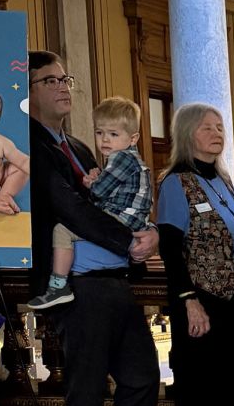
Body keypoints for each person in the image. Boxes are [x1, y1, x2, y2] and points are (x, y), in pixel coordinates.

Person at [26, 50, 188, 406]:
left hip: (116, 279)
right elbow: (71, 211)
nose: (63, 87)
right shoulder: (32, 147)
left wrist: (150, 236)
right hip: (78, 285)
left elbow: (122, 201)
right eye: (49, 80)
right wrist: (128, 241)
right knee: (88, 388)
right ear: (29, 91)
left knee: (140, 378)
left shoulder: (80, 147)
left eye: (65, 78)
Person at [157, 103, 234, 406]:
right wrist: (188, 301)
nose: (217, 133)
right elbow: (170, 248)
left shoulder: (220, 180)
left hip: (232, 295)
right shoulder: (176, 182)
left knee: (230, 378)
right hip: (200, 297)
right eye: (206, 128)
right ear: (186, 134)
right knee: (201, 383)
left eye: (219, 127)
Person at [29, 97, 152, 310]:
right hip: (92, 275)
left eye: (113, 134)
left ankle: (58, 286)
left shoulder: (115, 157)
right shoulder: (36, 144)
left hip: (115, 244)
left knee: (62, 231)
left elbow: (98, 193)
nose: (105, 139)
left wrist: (92, 182)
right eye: (99, 133)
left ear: (133, 138)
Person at [0, 88, 30, 215]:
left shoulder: (0, 143)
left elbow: (24, 162)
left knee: (19, 167)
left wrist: (46, 176)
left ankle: (5, 194)